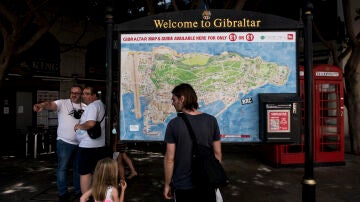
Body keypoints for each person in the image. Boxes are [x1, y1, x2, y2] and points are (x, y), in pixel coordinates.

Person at [163, 83, 223, 202]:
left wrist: (167, 184)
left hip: (182, 185)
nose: (172, 103)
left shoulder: (173, 124)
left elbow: (170, 159)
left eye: (174, 99)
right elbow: (218, 154)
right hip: (207, 183)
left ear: (182, 99)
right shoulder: (211, 121)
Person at [33, 85, 86, 202]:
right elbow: (50, 104)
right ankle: (63, 193)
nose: (74, 94)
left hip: (81, 143)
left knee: (78, 168)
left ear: (81, 94)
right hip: (64, 142)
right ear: (70, 93)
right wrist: (41, 105)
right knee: (63, 168)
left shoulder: (86, 107)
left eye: (77, 93)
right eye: (72, 92)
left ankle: (78, 191)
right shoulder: (63, 103)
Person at [74, 86, 108, 194]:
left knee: (85, 173)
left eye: (88, 94)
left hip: (88, 147)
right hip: (99, 145)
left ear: (94, 96)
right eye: (83, 94)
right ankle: (98, 197)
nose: (84, 96)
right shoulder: (101, 105)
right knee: (98, 173)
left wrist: (78, 126)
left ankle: (85, 198)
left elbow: (91, 123)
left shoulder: (93, 106)